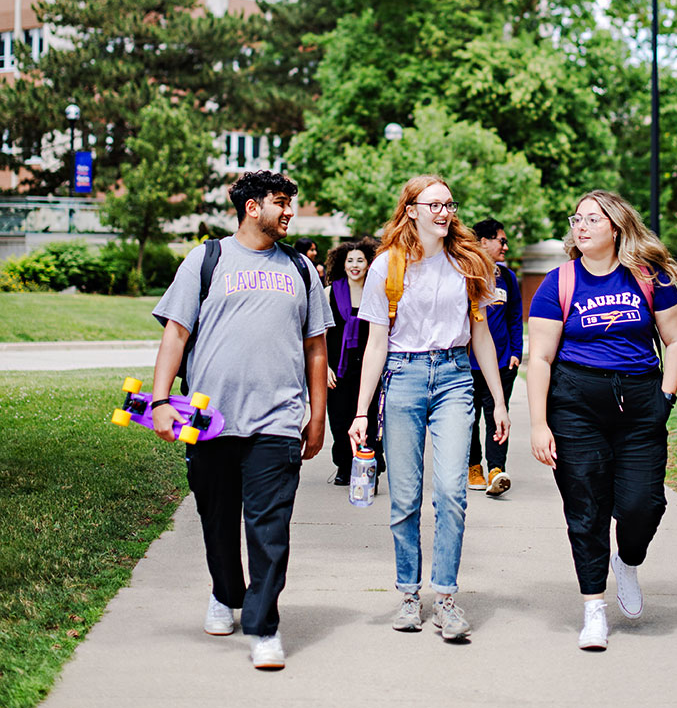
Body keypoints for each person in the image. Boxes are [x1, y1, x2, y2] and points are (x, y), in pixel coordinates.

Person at [150, 171, 332, 671]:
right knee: (217, 520)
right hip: (209, 421)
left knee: (269, 528)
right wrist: (160, 400)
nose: (290, 211)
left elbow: (316, 347)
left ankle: (263, 624)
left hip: (277, 421)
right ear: (252, 207)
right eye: (280, 202)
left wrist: (317, 418)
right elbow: (176, 334)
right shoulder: (206, 260)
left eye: (290, 202)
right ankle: (224, 591)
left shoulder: (300, 268)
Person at [349, 174, 510, 642]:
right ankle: (407, 594)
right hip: (402, 377)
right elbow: (375, 344)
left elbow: (480, 334)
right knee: (404, 496)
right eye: (434, 204)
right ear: (411, 209)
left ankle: (444, 599)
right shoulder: (386, 266)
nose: (445, 212)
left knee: (452, 492)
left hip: (456, 378)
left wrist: (498, 400)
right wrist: (361, 412)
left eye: (449, 204)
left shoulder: (469, 263)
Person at [527, 189, 677, 652]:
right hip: (576, 406)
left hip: (640, 404)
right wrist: (540, 424)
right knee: (586, 509)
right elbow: (538, 357)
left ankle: (629, 560)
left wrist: (666, 398)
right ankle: (593, 609)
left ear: (615, 227)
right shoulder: (557, 283)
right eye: (577, 218)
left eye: (592, 219)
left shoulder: (648, 278)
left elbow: (675, 340)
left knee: (643, 505)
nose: (581, 226)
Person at [468, 217, 523, 497]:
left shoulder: (508, 278)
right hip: (467, 364)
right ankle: (473, 466)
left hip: (501, 364)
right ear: (483, 242)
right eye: (501, 240)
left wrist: (516, 351)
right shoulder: (464, 274)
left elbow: (515, 316)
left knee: (497, 416)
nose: (505, 246)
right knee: (468, 418)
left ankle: (495, 470)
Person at [324, 237, 383, 486]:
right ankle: (344, 465)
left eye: (360, 260)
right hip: (338, 369)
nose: (355, 265)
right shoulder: (330, 293)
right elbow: (322, 335)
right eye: (350, 261)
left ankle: (371, 467)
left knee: (370, 418)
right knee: (339, 419)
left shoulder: (377, 290)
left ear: (369, 264)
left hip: (369, 368)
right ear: (343, 264)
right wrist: (324, 367)